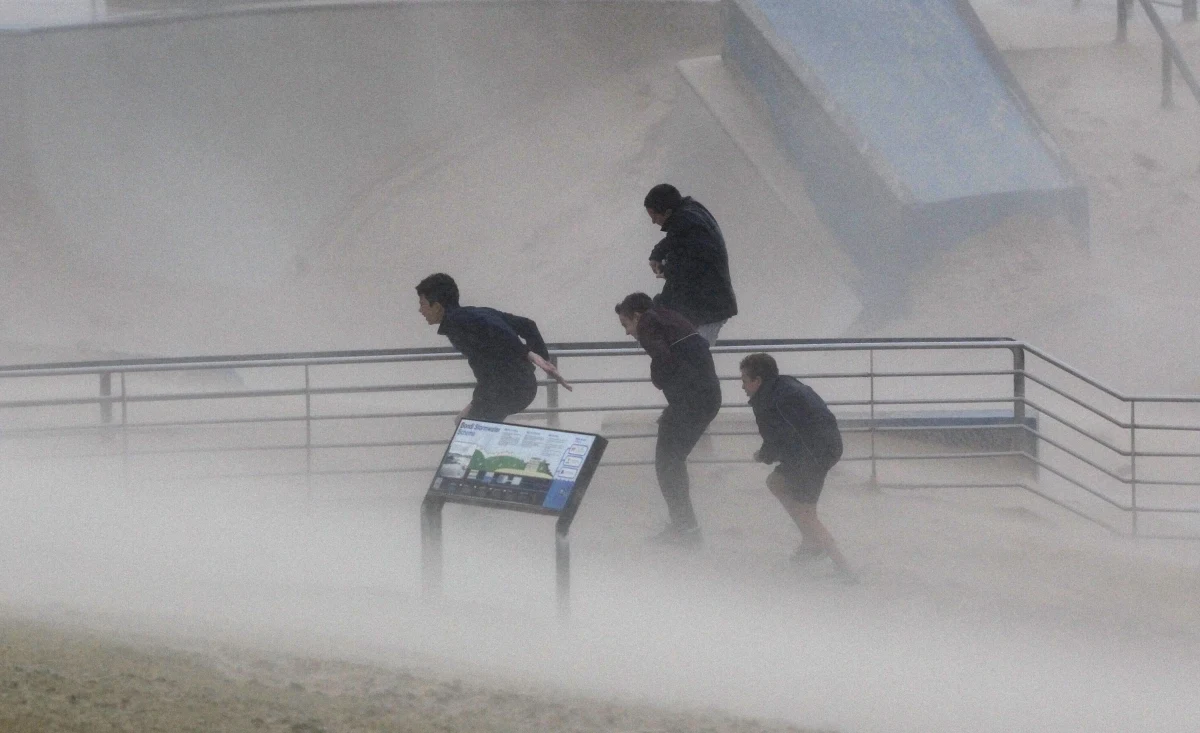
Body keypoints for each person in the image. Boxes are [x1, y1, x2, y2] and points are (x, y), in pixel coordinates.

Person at [615, 292, 722, 546]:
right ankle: (684, 526)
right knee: (672, 461)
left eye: (626, 324)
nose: (628, 332)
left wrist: (658, 378)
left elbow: (663, 359)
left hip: (691, 402)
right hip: (704, 399)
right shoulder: (668, 317)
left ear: (637, 316)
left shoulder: (648, 323)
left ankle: (686, 530)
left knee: (667, 464)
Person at [739, 352, 854, 582]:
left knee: (805, 511)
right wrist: (769, 453)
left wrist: (763, 455)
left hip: (811, 454)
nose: (742, 386)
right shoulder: (784, 384)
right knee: (776, 482)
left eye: (744, 380)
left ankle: (844, 568)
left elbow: (777, 437)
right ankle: (812, 543)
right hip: (824, 446)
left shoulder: (768, 401)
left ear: (758, 381)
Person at [416, 273, 570, 422]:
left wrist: (529, 354)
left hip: (506, 389)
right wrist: (544, 359)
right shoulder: (477, 313)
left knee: (473, 433)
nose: (420, 311)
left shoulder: (456, 322)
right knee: (466, 425)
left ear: (436, 306)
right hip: (517, 387)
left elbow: (497, 334)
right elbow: (527, 325)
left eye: (422, 304)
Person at [643, 183, 737, 346]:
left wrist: (666, 271)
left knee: (696, 357)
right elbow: (675, 241)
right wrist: (657, 255)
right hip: (709, 306)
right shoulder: (689, 215)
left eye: (654, 215)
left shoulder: (686, 222)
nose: (653, 221)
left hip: (708, 309)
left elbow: (692, 268)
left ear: (667, 212)